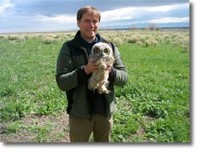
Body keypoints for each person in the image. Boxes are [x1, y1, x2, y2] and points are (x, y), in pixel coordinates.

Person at [56, 6, 128, 142]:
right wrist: (85, 70)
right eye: (87, 21)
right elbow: (62, 82)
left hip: (105, 113)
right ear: (78, 22)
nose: (91, 25)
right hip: (80, 115)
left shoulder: (110, 47)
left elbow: (124, 78)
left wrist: (110, 71)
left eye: (95, 21)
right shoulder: (69, 48)